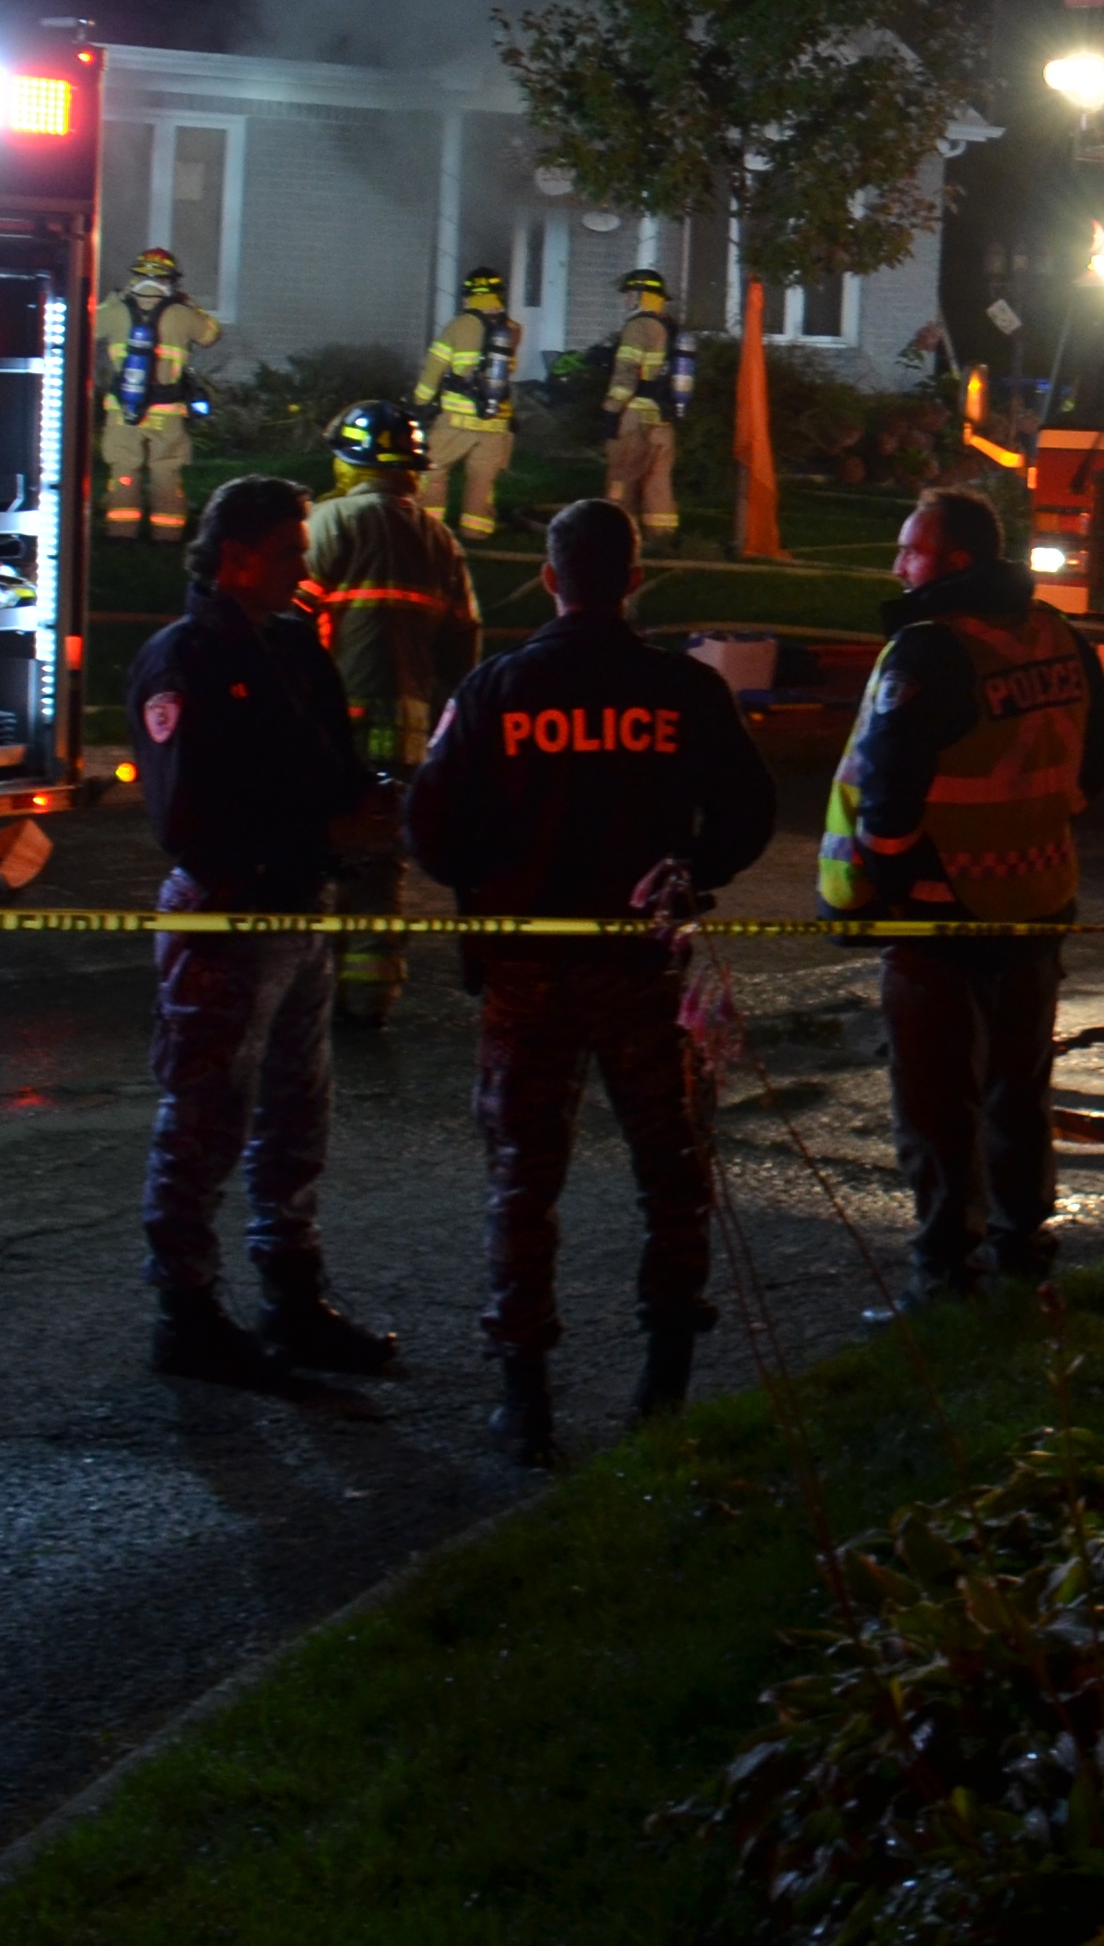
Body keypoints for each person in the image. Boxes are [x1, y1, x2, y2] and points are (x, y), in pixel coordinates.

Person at [403, 498, 775, 1465]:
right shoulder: (684, 691)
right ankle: (664, 1383)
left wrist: (502, 872)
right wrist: (693, 871)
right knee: (672, 1175)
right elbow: (749, 808)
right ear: (634, 580)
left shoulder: (497, 689)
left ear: (552, 578)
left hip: (527, 973)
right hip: (644, 968)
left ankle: (523, 1401)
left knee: (524, 1182)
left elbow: (431, 832)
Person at [826, 486, 1104, 1305]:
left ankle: (945, 1275)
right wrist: (1054, 811)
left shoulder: (930, 649)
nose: (897, 565)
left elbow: (889, 778)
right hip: (1036, 895)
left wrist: (888, 875)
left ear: (952, 561)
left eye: (909, 551)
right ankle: (1024, 1246)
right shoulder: (1056, 633)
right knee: (1018, 1087)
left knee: (936, 1103)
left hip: (941, 907)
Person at [128, 474, 393, 1384]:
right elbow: (189, 821)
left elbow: (328, 765)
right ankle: (188, 1313)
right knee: (205, 1119)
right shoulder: (185, 660)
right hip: (229, 914)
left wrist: (372, 805)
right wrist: (323, 832)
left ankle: (293, 1297)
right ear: (234, 556)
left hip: (300, 911)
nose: (302, 567)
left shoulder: (292, 647)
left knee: (293, 1118)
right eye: (287, 551)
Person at [305, 400, 482, 1030]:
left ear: (348, 461)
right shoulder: (440, 540)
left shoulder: (322, 525)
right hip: (404, 726)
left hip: (325, 725)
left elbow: (286, 624)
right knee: (379, 864)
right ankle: (369, 999)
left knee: (305, 854)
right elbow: (463, 647)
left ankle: (303, 996)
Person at [96, 248, 226, 537]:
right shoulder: (181, 314)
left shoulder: (115, 311)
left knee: (124, 468)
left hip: (123, 410)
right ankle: (167, 535)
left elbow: (86, 325)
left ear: (135, 277)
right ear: (171, 280)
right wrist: (190, 304)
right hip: (167, 411)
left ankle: (121, 532)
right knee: (166, 470)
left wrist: (113, 299)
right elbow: (210, 335)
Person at [414, 265, 524, 540]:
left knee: (434, 470)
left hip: (456, 420)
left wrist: (420, 401)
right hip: (496, 420)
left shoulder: (459, 325)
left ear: (468, 296)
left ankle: (430, 530)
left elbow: (434, 368)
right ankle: (476, 531)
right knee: (482, 479)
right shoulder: (511, 329)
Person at [603, 268, 694, 540]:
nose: (626, 300)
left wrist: (611, 410)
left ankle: (615, 536)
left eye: (630, 294)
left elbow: (626, 374)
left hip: (636, 416)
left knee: (622, 476)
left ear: (642, 296)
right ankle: (661, 533)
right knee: (658, 480)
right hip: (664, 418)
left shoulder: (638, 326)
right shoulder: (670, 326)